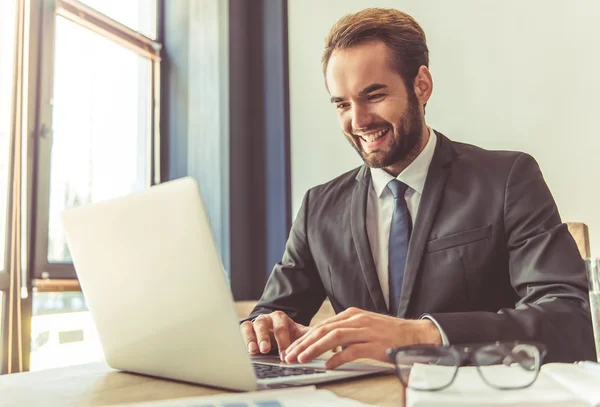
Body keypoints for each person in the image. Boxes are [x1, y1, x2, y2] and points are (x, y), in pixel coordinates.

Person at [240, 7, 596, 369]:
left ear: (421, 85)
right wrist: (265, 327)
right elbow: (271, 315)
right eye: (343, 104)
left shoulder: (507, 179)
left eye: (374, 95)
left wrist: (422, 334)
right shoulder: (319, 207)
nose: (358, 121)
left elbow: (568, 320)